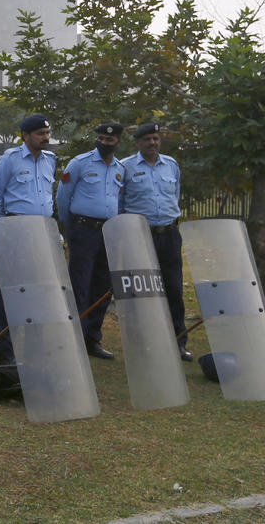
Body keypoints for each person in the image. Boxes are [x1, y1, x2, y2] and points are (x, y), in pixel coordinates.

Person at [0, 114, 56, 365]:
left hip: (42, 233)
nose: (46, 138)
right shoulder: (11, 159)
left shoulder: (50, 160)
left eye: (47, 133)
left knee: (37, 293)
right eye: (40, 133)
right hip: (16, 230)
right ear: (25, 135)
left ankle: (34, 350)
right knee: (9, 294)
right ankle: (6, 355)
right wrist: (7, 227)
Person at [120, 122, 191, 361]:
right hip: (140, 235)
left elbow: (175, 195)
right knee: (140, 290)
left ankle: (178, 342)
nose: (152, 143)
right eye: (147, 139)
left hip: (169, 234)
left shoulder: (171, 165)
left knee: (173, 288)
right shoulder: (126, 167)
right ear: (138, 142)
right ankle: (141, 343)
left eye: (156, 139)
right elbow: (120, 204)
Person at [56, 123, 126, 360]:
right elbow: (63, 196)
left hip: (108, 233)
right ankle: (74, 337)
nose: (105, 143)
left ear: (117, 142)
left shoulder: (120, 168)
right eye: (102, 139)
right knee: (79, 285)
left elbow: (120, 200)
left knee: (103, 286)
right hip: (84, 230)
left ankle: (92, 339)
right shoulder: (80, 163)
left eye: (110, 140)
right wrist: (70, 226)